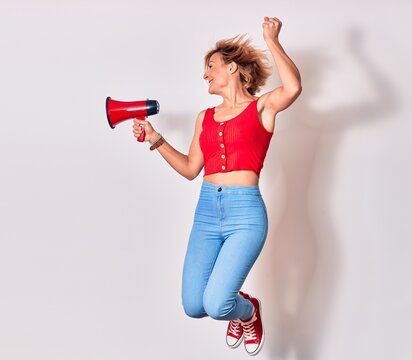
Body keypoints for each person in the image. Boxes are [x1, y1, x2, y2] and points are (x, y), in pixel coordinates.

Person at [132, 16, 301, 356]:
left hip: (245, 215)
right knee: (194, 305)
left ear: (234, 68)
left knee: (218, 302)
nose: (205, 74)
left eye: (211, 66)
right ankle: (241, 307)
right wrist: (155, 139)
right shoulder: (204, 118)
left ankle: (249, 312)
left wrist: (272, 41)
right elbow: (191, 169)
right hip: (207, 211)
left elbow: (293, 88)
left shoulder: (261, 108)